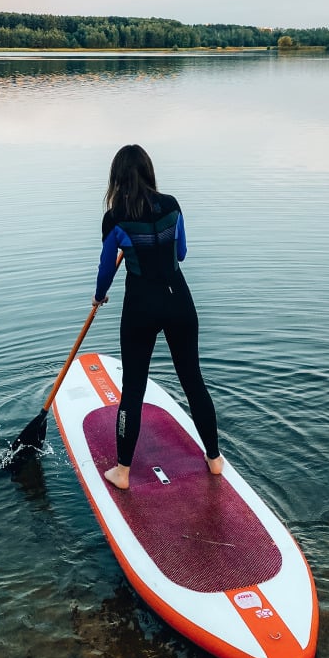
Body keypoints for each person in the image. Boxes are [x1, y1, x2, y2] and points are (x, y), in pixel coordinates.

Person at [92, 144, 224, 490]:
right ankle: (214, 459)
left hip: (141, 305)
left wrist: (99, 294)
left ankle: (122, 472)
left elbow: (107, 267)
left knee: (133, 388)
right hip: (178, 298)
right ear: (149, 171)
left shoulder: (115, 216)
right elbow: (180, 251)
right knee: (193, 380)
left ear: (117, 177)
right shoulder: (172, 204)